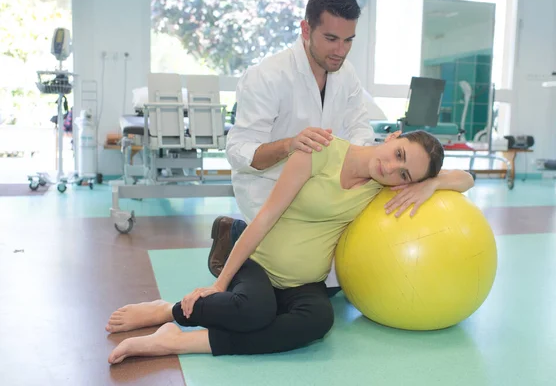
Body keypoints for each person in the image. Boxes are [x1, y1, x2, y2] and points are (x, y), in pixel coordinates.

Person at [105, 130, 474, 364]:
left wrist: (430, 184)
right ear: (394, 137)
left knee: (318, 323)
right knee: (254, 312)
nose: (392, 169)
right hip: (259, 264)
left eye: (404, 175)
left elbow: (467, 178)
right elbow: (264, 218)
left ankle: (179, 342)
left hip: (306, 283)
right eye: (399, 155)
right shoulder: (319, 150)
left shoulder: (383, 186)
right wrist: (218, 285)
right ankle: (169, 313)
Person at [209, 0, 440, 291]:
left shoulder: (347, 75)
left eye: (348, 41)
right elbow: (238, 152)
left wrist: (422, 178)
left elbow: (360, 131)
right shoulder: (266, 76)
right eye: (331, 39)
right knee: (292, 289)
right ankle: (235, 232)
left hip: (326, 190)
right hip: (269, 191)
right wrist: (289, 145)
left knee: (333, 287)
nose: (341, 51)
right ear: (306, 29)